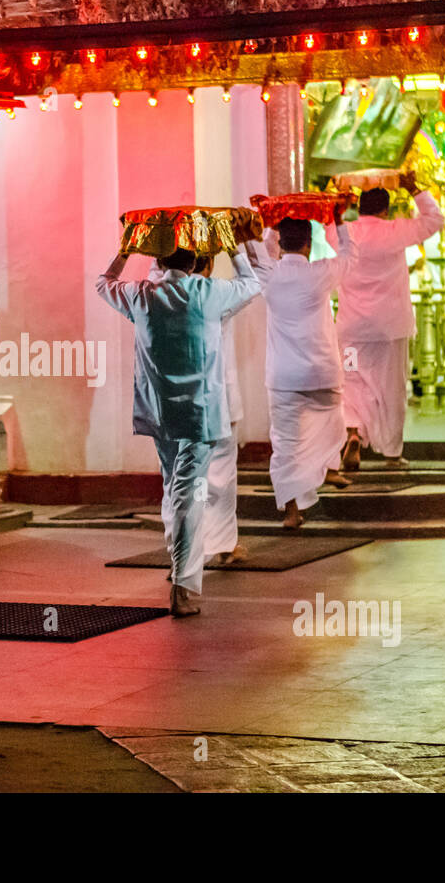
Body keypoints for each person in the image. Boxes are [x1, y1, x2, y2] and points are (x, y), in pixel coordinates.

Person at [97, 240, 261, 616]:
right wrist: (234, 248)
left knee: (175, 486)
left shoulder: (142, 294)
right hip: (198, 415)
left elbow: (103, 282)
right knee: (188, 494)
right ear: (197, 261)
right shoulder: (208, 292)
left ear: (157, 259)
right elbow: (252, 284)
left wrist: (124, 250)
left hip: (158, 414)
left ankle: (178, 559)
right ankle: (183, 583)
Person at [251, 214, 357, 530]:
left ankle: (292, 511)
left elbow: (259, 253)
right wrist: (338, 221)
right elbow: (351, 256)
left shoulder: (268, 274)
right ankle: (328, 467)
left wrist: (270, 223)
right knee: (332, 426)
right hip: (322, 371)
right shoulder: (320, 272)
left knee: (285, 444)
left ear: (280, 244)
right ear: (309, 244)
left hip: (283, 375)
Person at [337, 171, 444, 470]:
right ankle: (392, 453)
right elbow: (435, 220)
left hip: (350, 330)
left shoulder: (345, 232)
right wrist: (413, 188)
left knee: (350, 381)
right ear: (385, 209)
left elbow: (325, 224)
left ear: (359, 207)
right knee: (392, 389)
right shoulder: (395, 230)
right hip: (390, 329)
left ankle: (353, 433)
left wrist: (340, 199)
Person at [192, 253, 250, 564]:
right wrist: (236, 248)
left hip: (180, 400)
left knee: (184, 478)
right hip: (220, 398)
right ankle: (224, 545)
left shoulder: (160, 296)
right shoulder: (219, 294)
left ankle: (185, 551)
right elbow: (252, 282)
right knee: (223, 474)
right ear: (209, 264)